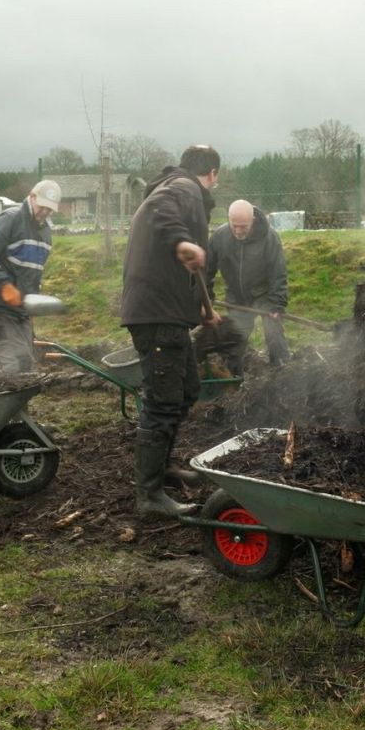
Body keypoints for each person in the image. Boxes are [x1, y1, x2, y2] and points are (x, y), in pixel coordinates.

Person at [120, 144, 221, 518]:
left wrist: (202, 308)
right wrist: (182, 239)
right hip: (156, 314)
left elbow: (187, 270)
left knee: (187, 390)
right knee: (162, 401)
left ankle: (162, 469)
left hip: (168, 312)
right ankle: (149, 496)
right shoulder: (183, 188)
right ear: (212, 174)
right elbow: (161, 208)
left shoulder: (180, 187)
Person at [0, 180, 61, 372]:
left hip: (20, 309)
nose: (44, 212)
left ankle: (15, 400)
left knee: (26, 363)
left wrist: (32, 302)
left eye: (50, 209)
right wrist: (5, 285)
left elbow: (31, 274)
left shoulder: (45, 234)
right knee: (13, 364)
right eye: (42, 206)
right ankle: (1, 399)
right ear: (32, 196)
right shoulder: (11, 219)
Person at [205, 199, 290, 373]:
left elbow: (278, 273)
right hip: (236, 298)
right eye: (234, 225)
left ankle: (283, 374)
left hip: (265, 296)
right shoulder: (219, 238)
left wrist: (277, 303)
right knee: (234, 341)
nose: (238, 230)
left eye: (243, 226)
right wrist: (206, 299)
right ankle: (233, 382)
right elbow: (206, 271)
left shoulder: (269, 237)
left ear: (252, 220)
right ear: (228, 220)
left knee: (274, 336)